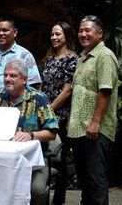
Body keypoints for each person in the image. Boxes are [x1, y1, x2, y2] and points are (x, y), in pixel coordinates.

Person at [0, 60, 58, 205]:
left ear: (24, 79)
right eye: (5, 75)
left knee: (36, 189)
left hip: (34, 160)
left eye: (12, 76)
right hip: (1, 158)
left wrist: (31, 136)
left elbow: (52, 133)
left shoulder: (39, 99)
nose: (7, 79)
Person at [68, 15, 119, 205]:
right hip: (80, 129)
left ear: (100, 33)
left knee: (96, 181)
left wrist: (96, 121)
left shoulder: (104, 56)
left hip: (95, 130)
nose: (83, 34)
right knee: (86, 182)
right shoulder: (82, 58)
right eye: (81, 30)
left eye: (88, 30)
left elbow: (105, 90)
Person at [40, 22, 78, 205]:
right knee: (44, 156)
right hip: (45, 113)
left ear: (66, 36)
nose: (54, 37)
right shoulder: (49, 59)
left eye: (58, 34)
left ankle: (59, 199)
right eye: (52, 34)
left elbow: (67, 91)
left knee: (60, 157)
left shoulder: (72, 59)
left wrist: (48, 110)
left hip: (60, 115)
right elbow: (43, 86)